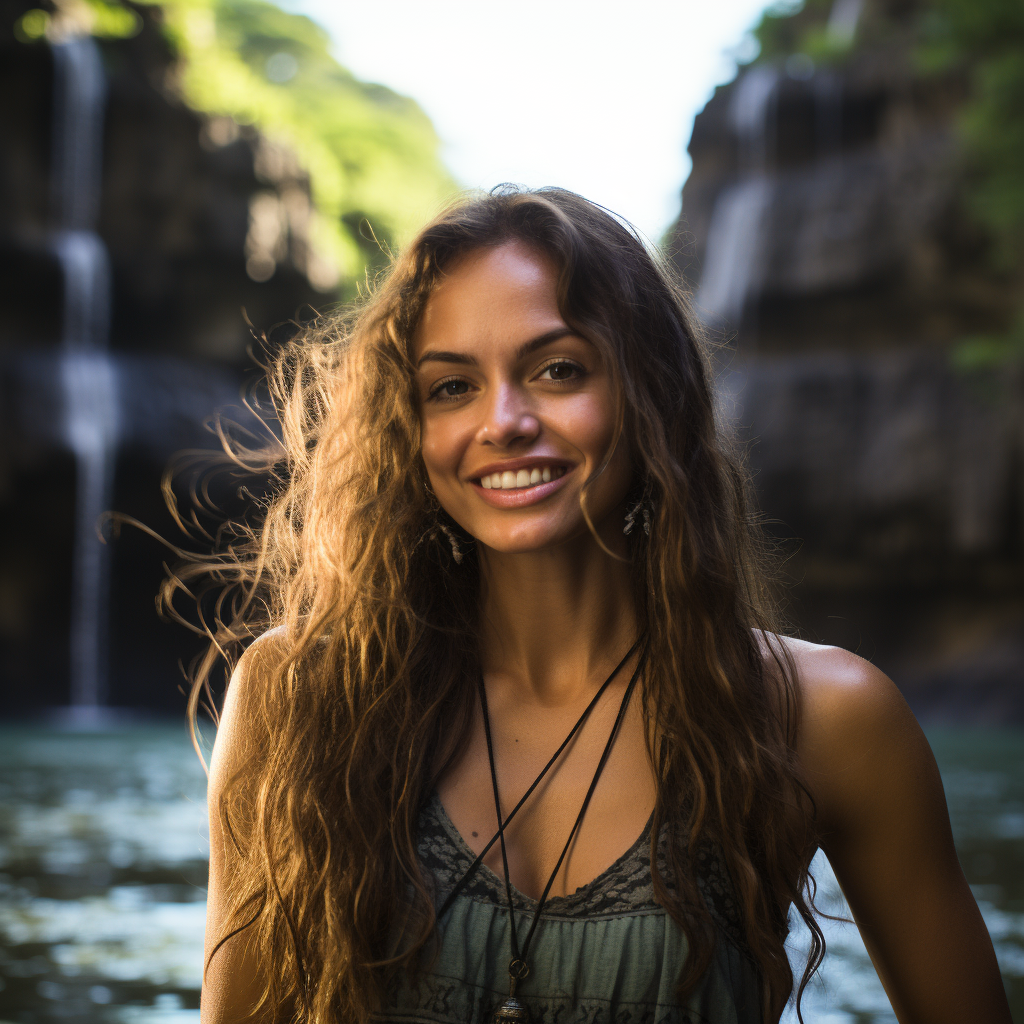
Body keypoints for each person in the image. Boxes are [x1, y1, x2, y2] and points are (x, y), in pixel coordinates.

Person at [184, 187, 1011, 1024]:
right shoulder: (300, 693)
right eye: (451, 387)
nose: (502, 421)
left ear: (648, 391)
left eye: (557, 370)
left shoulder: (823, 717)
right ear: (408, 429)